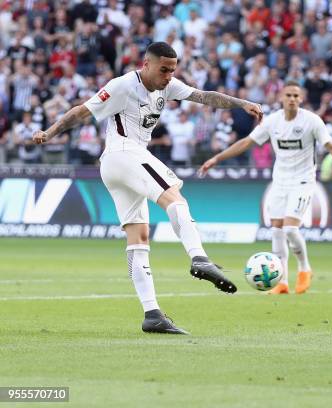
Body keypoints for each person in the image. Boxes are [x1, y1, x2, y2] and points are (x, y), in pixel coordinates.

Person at [32, 42, 264, 335]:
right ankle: (199, 258)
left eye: (172, 70)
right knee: (174, 198)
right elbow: (81, 112)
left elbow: (204, 96)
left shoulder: (167, 86)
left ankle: (152, 314)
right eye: (164, 70)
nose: (169, 76)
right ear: (146, 64)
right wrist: (49, 132)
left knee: (139, 238)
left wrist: (241, 103)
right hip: (124, 153)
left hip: (120, 166)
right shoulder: (122, 85)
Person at [199, 81, 332, 294]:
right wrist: (217, 158)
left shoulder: (312, 121)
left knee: (290, 229)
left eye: (295, 96)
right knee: (277, 231)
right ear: (281, 97)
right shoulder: (272, 122)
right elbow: (246, 143)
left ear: (301, 99)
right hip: (279, 182)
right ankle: (281, 282)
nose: (291, 99)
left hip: (303, 182)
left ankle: (304, 269)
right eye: (288, 95)